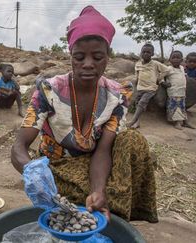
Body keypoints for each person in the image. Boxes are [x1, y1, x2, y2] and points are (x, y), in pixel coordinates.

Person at [11, 6, 158, 223]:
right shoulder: (49, 90)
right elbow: (19, 146)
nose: (88, 64)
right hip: (57, 169)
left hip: (97, 164)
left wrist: (98, 189)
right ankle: (94, 209)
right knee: (70, 193)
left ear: (108, 57)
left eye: (97, 57)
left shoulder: (117, 95)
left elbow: (103, 150)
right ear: (70, 55)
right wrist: (31, 171)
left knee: (133, 140)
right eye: (79, 57)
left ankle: (106, 212)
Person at [127, 43, 169, 128]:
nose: (146, 53)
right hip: (140, 87)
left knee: (142, 102)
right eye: (144, 52)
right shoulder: (138, 64)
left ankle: (133, 121)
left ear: (152, 54)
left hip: (150, 88)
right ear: (141, 53)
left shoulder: (155, 64)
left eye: (148, 52)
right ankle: (137, 123)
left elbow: (167, 70)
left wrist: (159, 78)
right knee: (138, 103)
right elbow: (137, 75)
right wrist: (136, 82)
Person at [165, 50, 195, 130]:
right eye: (173, 57)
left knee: (182, 107)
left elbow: (184, 76)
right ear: (170, 59)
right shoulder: (168, 69)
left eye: (178, 58)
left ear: (182, 60)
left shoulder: (182, 68)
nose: (175, 59)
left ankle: (185, 122)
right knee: (174, 107)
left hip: (182, 92)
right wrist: (163, 83)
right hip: (173, 92)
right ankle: (176, 123)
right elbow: (161, 76)